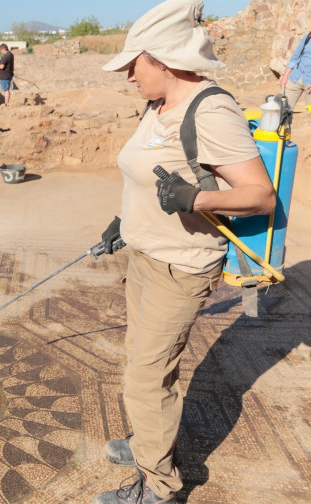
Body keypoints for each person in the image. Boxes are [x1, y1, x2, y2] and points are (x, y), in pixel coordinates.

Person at [92, 1, 276, 503]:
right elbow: (145, 173)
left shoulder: (211, 109)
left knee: (145, 379)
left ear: (164, 59)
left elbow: (260, 195)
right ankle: (152, 440)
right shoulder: (157, 107)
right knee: (144, 364)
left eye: (135, 64)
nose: (129, 74)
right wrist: (123, 221)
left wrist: (197, 198)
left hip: (183, 264)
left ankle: (160, 486)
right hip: (147, 255)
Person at [279, 31, 311, 112]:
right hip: (296, 78)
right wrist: (285, 77)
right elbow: (295, 57)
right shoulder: (308, 36)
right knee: (284, 111)